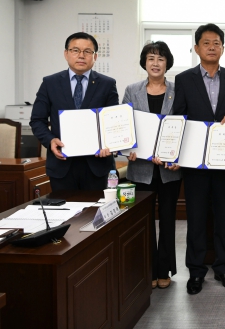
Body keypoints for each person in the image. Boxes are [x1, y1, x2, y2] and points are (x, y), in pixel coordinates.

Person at [172, 23, 225, 295]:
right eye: (207, 43)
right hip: (195, 163)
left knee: (224, 217)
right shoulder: (184, 79)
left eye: (217, 43)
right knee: (196, 217)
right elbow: (177, 117)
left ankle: (223, 267)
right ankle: (195, 270)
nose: (212, 47)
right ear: (197, 48)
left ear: (223, 48)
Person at [122, 41, 182, 290]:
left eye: (160, 58)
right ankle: (146, 268)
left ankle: (163, 269)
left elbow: (183, 128)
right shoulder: (132, 90)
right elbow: (124, 126)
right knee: (144, 221)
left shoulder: (179, 91)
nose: (155, 63)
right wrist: (128, 150)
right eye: (150, 58)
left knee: (168, 220)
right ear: (144, 63)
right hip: (141, 169)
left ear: (167, 62)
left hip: (169, 169)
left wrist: (178, 157)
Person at [30, 32, 118, 191]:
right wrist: (50, 141)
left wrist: (110, 144)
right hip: (62, 165)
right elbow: (37, 120)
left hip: (96, 166)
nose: (81, 56)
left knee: (95, 214)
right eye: (75, 50)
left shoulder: (107, 84)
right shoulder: (50, 83)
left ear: (95, 57)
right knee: (64, 214)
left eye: (87, 51)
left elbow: (113, 122)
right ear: (66, 54)